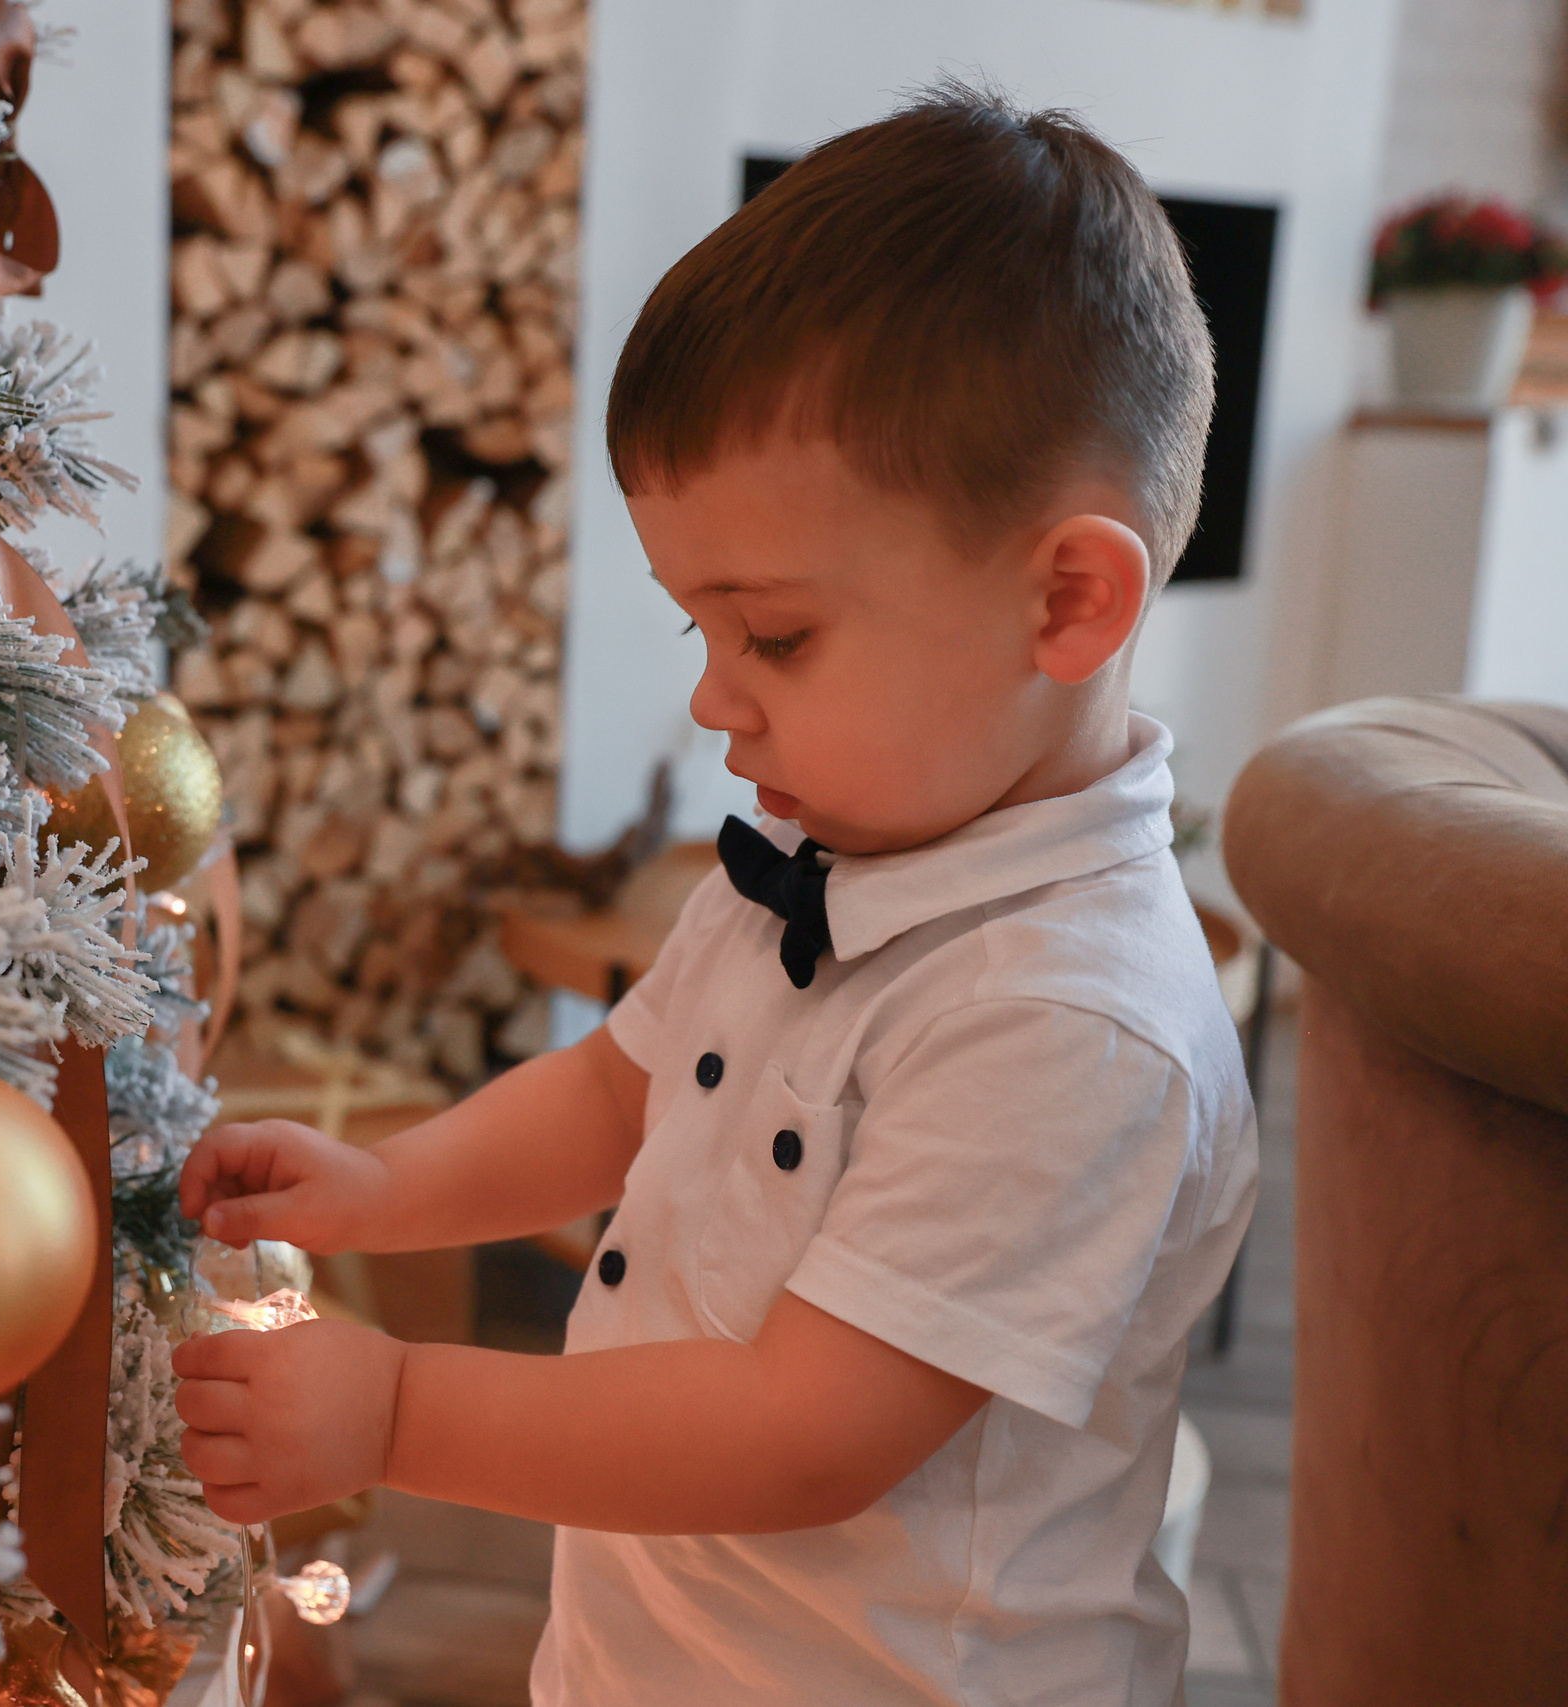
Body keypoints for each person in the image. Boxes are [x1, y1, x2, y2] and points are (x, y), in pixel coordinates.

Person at [171, 82, 1258, 1706]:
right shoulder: (819, 865)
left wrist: (397, 1409)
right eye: (702, 631)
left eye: (777, 636)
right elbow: (620, 1087)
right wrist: (386, 1196)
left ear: (1069, 599)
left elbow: (800, 1432)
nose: (713, 703)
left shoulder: (1071, 1022)